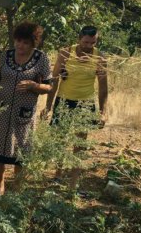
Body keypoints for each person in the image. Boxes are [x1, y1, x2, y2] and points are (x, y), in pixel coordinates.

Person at [0, 22, 53, 194]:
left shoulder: (41, 59)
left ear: (33, 43)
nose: (20, 46)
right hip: (3, 110)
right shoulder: (6, 56)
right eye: (18, 41)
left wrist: (33, 86)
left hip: (24, 113)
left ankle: (17, 189)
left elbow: (48, 87)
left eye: (25, 43)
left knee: (21, 151)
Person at [43, 25, 108, 189]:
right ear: (79, 39)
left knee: (79, 144)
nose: (88, 46)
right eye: (86, 42)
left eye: (92, 43)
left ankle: (73, 183)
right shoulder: (65, 53)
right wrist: (48, 106)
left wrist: (102, 112)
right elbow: (55, 79)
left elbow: (103, 86)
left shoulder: (100, 57)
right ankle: (57, 176)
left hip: (85, 103)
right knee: (59, 140)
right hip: (64, 100)